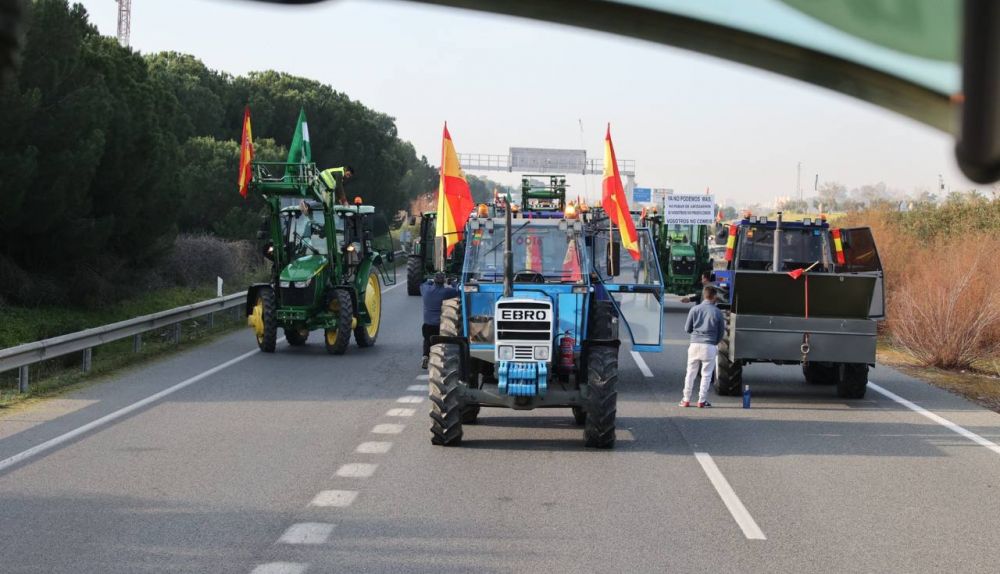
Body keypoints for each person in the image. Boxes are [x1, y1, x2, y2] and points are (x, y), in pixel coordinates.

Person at [680, 284, 725, 408]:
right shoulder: (717, 312)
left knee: (690, 373)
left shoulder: (694, 309)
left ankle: (686, 399)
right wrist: (715, 342)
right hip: (709, 345)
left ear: (704, 295)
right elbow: (721, 332)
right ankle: (701, 400)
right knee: (706, 374)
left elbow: (687, 328)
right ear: (714, 296)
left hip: (694, 344)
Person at [420, 272, 460, 369]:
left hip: (427, 323)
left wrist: (429, 281)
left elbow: (423, 284)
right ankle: (439, 360)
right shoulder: (446, 292)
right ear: (443, 281)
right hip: (440, 324)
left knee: (426, 340)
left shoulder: (426, 290)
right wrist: (453, 282)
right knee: (441, 343)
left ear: (434, 280)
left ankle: (425, 356)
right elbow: (458, 291)